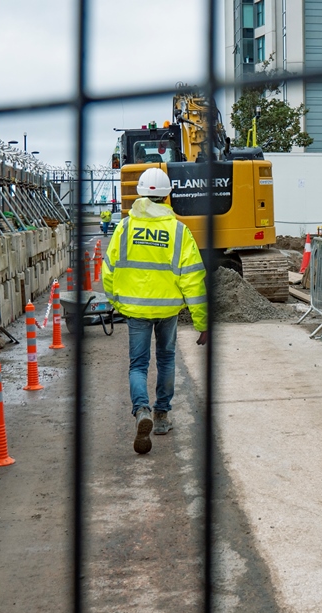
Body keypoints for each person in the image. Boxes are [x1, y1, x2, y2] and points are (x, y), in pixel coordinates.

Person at [102, 168, 208, 455]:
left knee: (138, 364)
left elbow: (108, 271)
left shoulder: (124, 227)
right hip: (168, 309)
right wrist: (202, 322)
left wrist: (118, 302)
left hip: (135, 310)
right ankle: (161, 417)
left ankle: (141, 411)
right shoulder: (178, 231)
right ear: (167, 195)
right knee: (166, 359)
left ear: (140, 193)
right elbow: (193, 279)